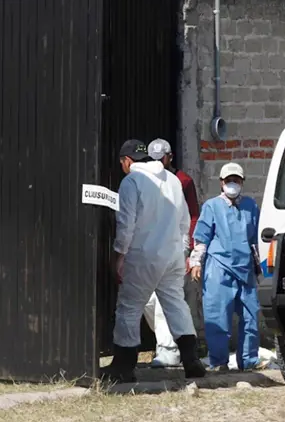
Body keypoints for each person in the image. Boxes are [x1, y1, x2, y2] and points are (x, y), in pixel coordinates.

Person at [100, 139, 206, 383]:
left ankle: (124, 366)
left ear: (127, 161)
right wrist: (182, 251)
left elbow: (126, 225)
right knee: (176, 304)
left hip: (143, 256)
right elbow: (184, 221)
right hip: (172, 255)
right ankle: (191, 360)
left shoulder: (132, 182)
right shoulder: (172, 180)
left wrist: (118, 256)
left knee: (129, 308)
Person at [188, 162, 261, 372]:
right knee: (218, 316)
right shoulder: (212, 206)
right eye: (229, 180)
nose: (232, 184)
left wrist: (259, 267)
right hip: (219, 268)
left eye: (236, 180)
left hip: (245, 268)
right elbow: (202, 238)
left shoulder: (250, 206)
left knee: (250, 317)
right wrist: (196, 262)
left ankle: (248, 362)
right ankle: (219, 362)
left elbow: (255, 240)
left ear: (242, 182)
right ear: (221, 183)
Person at [138, 138, 201, 369]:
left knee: (165, 298)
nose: (158, 162)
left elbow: (192, 215)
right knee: (148, 300)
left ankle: (168, 350)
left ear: (170, 157)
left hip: (174, 246)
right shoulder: (145, 180)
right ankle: (173, 340)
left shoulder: (182, 181)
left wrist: (189, 248)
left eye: (161, 158)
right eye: (153, 158)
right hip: (150, 246)